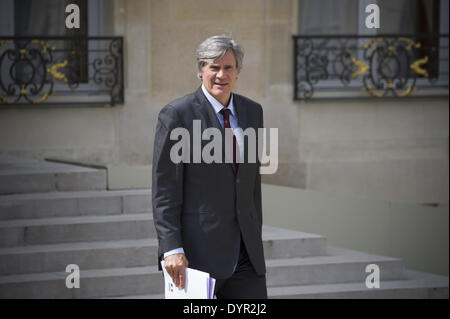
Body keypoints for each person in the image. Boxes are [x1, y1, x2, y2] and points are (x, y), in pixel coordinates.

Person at [152, 35, 267, 299]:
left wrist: (254, 236)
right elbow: (165, 188)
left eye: (228, 67)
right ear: (200, 70)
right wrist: (171, 248)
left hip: (246, 256)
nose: (220, 75)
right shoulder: (177, 115)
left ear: (237, 72)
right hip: (196, 257)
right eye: (213, 67)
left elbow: (250, 185)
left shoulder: (253, 112)